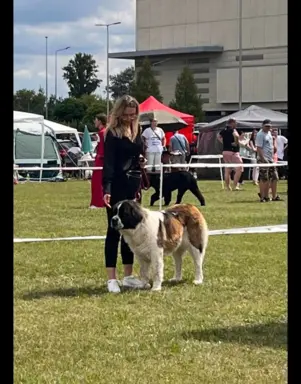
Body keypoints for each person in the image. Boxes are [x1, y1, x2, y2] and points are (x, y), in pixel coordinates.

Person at [102, 95, 147, 293]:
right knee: (113, 231)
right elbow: (109, 163)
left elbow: (137, 154)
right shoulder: (112, 133)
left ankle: (128, 275)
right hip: (117, 184)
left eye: (133, 114)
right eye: (127, 114)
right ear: (119, 113)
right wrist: (107, 189)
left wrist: (142, 161)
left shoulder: (138, 130)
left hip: (134, 184)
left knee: (131, 231)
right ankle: (111, 278)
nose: (130, 117)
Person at [256, 119, 280, 202]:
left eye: (269, 126)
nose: (267, 128)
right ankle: (263, 197)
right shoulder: (260, 134)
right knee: (264, 178)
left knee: (274, 177)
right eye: (266, 126)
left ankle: (274, 196)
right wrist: (263, 159)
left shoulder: (269, 133)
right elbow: (258, 148)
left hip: (271, 159)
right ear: (262, 125)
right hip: (263, 159)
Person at [217, 117, 243, 190]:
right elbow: (236, 136)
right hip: (233, 151)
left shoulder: (224, 130)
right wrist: (236, 142)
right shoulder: (233, 130)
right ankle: (235, 185)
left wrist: (223, 142)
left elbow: (218, 136)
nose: (236, 124)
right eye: (235, 122)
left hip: (225, 151)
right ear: (232, 123)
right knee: (240, 167)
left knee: (227, 169)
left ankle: (228, 187)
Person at [90, 113, 107, 209]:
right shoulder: (103, 132)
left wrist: (100, 156)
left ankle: (97, 202)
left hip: (101, 159)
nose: (94, 122)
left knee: (97, 181)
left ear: (100, 121)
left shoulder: (101, 133)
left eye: (95, 120)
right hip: (101, 158)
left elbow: (102, 148)